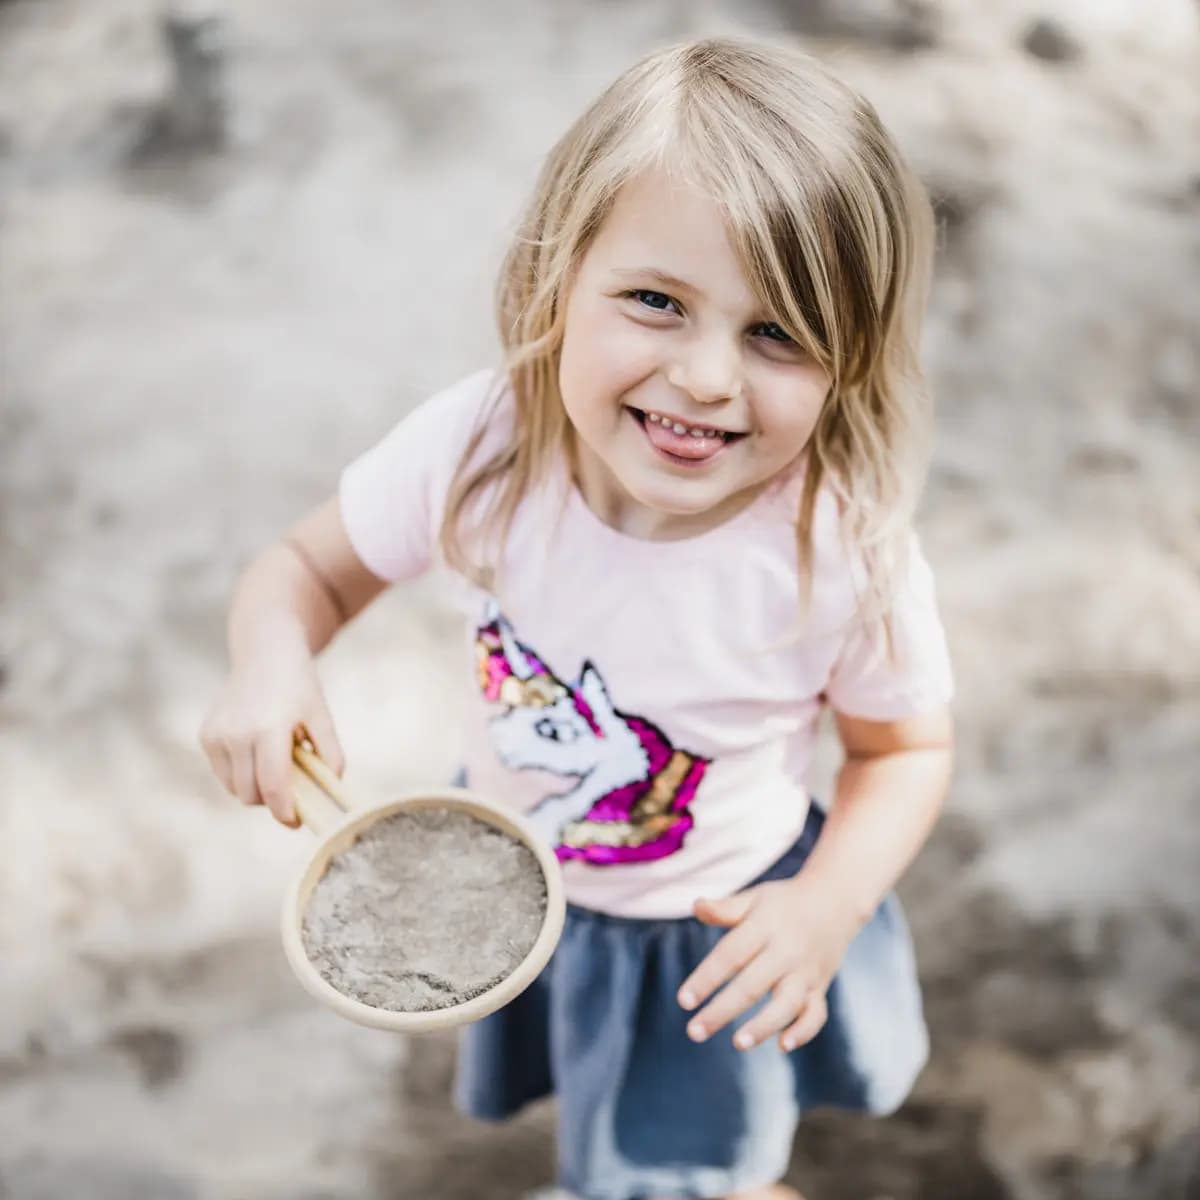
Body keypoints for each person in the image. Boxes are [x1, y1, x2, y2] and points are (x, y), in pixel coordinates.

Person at [200, 36, 955, 1200]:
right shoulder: (480, 449)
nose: (706, 377)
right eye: (656, 302)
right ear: (559, 278)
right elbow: (305, 568)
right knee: (607, 1123)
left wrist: (825, 906)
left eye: (777, 332)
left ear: (849, 357)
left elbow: (903, 751)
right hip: (514, 875)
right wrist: (269, 659)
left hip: (706, 934)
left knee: (689, 1167)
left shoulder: (840, 549)